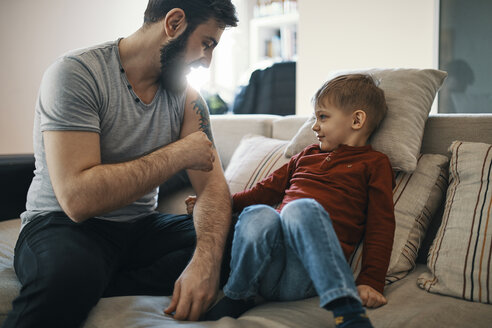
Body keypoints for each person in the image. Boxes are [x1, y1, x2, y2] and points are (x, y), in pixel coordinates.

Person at [3, 1, 238, 327]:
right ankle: (91, 277)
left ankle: (102, 279)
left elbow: (212, 187)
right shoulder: (77, 73)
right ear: (174, 23)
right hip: (63, 225)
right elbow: (78, 199)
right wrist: (179, 153)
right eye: (206, 44)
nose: (207, 61)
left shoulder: (187, 99)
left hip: (139, 228)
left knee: (243, 238)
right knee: (67, 278)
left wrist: (205, 263)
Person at [187, 74, 395, 327]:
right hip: (266, 267)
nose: (314, 126)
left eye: (323, 117)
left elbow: (381, 225)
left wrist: (371, 281)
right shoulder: (305, 156)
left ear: (357, 119)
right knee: (257, 213)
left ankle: (343, 304)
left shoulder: (374, 164)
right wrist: (217, 204)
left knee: (301, 209)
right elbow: (263, 191)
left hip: (306, 273)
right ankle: (237, 295)